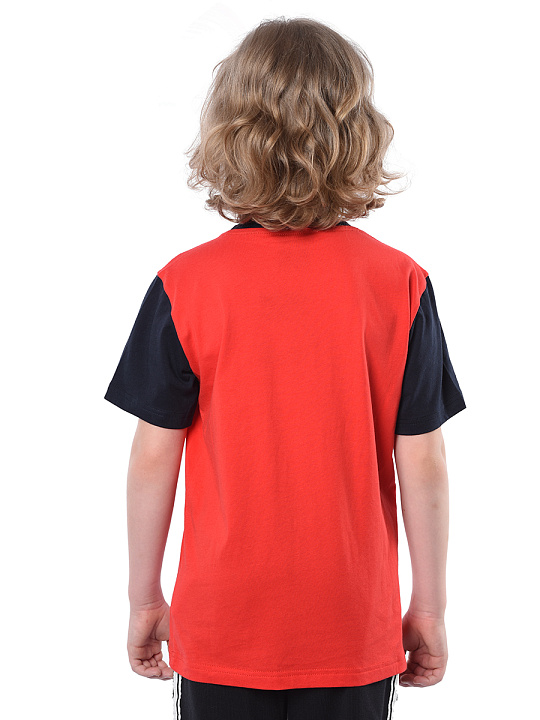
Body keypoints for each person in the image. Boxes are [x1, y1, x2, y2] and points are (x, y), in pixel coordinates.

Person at [104, 16, 467, 720]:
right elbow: (423, 460)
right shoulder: (401, 284)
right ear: (357, 133)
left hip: (222, 625)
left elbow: (153, 457)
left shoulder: (185, 284)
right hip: (351, 627)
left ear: (230, 132)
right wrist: (428, 607)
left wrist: (145, 598)